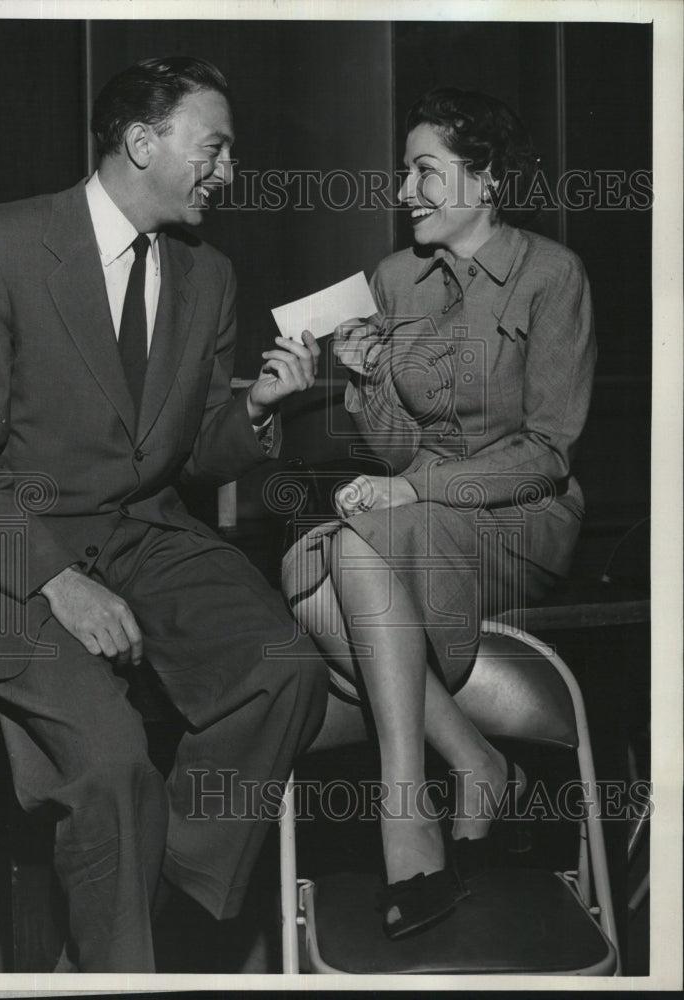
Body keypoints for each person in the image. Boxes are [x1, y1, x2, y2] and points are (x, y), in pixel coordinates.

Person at [0, 56, 328, 972]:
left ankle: (162, 903)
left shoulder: (211, 275)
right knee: (111, 767)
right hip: (7, 554)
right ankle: (121, 968)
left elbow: (184, 456)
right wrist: (58, 583)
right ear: (141, 143)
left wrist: (257, 412)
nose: (227, 170)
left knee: (285, 670)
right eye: (214, 146)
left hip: (146, 535)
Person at [283, 87, 596, 939]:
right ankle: (474, 758)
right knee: (314, 566)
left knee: (348, 549)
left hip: (518, 520)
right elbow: (391, 451)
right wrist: (361, 380)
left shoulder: (550, 276)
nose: (405, 190)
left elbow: (546, 453)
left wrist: (415, 490)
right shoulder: (391, 280)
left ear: (486, 179)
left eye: (426, 170)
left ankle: (403, 811)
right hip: (408, 515)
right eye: (405, 170)